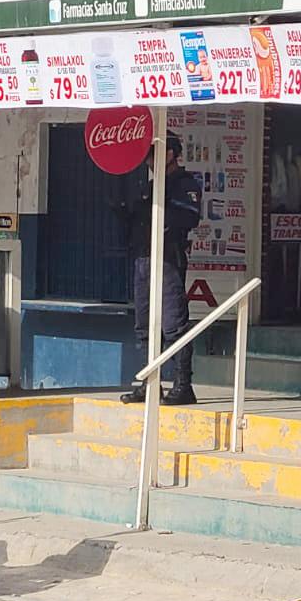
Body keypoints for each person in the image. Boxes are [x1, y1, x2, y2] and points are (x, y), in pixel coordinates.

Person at [119, 133, 203, 406]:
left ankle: (183, 385)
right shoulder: (150, 187)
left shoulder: (184, 184)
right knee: (144, 326)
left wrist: (160, 211)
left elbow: (188, 217)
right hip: (143, 259)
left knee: (174, 324)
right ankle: (149, 383)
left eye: (153, 154)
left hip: (167, 259)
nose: (149, 161)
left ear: (170, 154)